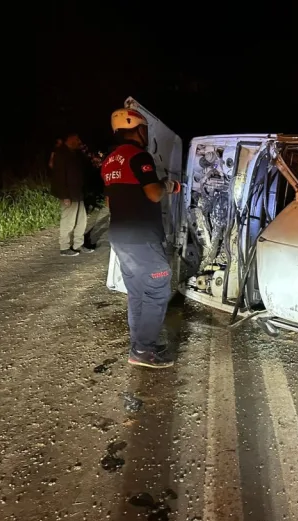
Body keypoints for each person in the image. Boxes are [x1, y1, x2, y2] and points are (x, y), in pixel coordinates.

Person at [100, 109, 181, 369]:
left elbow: (110, 199)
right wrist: (169, 185)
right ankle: (143, 350)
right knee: (158, 286)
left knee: (136, 292)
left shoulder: (110, 161)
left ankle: (140, 344)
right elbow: (154, 193)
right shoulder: (138, 156)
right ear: (137, 128)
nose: (146, 134)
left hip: (120, 235)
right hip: (140, 236)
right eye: (145, 129)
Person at [51, 133, 93, 256]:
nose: (79, 141)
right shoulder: (61, 153)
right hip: (68, 194)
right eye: (77, 139)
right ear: (69, 138)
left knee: (82, 220)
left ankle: (78, 245)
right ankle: (64, 247)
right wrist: (64, 196)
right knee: (68, 221)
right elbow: (59, 176)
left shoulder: (74, 153)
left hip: (77, 192)